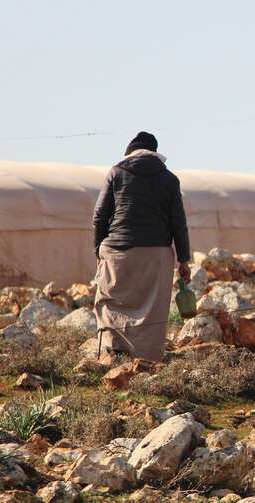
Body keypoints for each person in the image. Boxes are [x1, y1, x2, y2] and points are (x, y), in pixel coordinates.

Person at [92, 131, 191, 361]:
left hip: (118, 251)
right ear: (155, 154)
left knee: (112, 299)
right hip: (156, 253)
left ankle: (114, 350)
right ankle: (147, 358)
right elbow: (179, 223)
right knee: (151, 307)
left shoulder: (116, 173)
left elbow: (99, 217)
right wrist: (183, 260)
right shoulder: (170, 179)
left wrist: (98, 251)